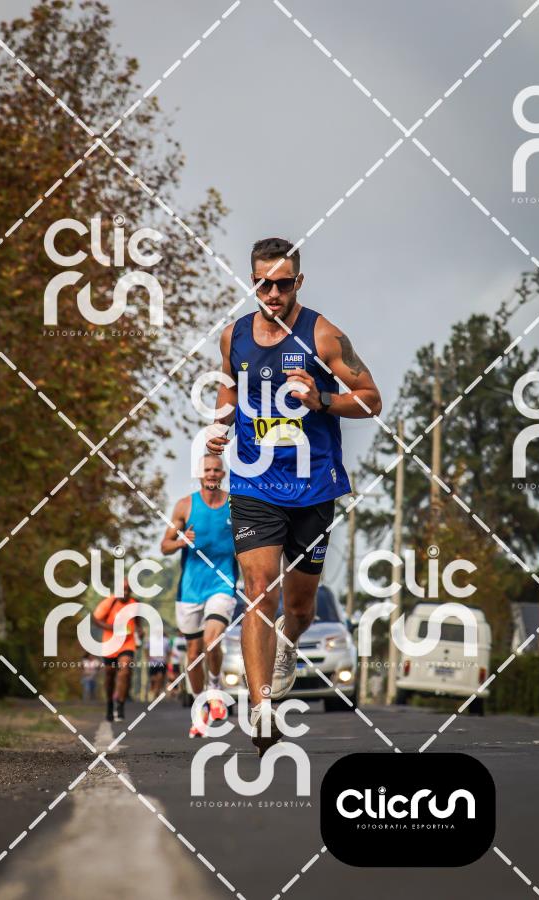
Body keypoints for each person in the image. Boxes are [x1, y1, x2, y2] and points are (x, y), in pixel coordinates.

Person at [206, 236, 382, 753]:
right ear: (252, 281)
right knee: (259, 589)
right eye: (263, 284)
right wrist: (218, 426)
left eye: (283, 284)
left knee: (300, 607)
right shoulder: (234, 335)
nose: (273, 293)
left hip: (313, 486)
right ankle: (261, 709)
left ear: (298, 282)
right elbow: (229, 386)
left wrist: (322, 398)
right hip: (255, 480)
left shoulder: (323, 336)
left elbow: (370, 400)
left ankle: (290, 639)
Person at [161, 454, 238, 737]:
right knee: (193, 654)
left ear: (223, 474)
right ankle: (200, 706)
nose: (212, 474)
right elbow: (165, 546)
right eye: (207, 470)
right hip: (190, 590)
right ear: (200, 474)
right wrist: (181, 540)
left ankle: (215, 687)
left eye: (217, 470)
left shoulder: (235, 504)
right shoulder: (185, 505)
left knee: (212, 640)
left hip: (223, 584)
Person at [93, 579, 143, 723]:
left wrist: (140, 631)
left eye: (128, 590)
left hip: (127, 643)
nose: (125, 593)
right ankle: (109, 704)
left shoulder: (135, 604)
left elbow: (138, 621)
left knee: (125, 671)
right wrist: (112, 628)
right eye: (123, 590)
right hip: (110, 644)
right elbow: (95, 619)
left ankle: (120, 705)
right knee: (109, 675)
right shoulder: (109, 602)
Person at [148, 632, 170, 699]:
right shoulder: (151, 640)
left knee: (160, 677)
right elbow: (146, 649)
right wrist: (148, 657)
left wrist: (167, 659)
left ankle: (157, 691)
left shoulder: (166, 640)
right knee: (153, 678)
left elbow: (168, 651)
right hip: (153, 662)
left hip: (162, 662)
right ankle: (153, 689)